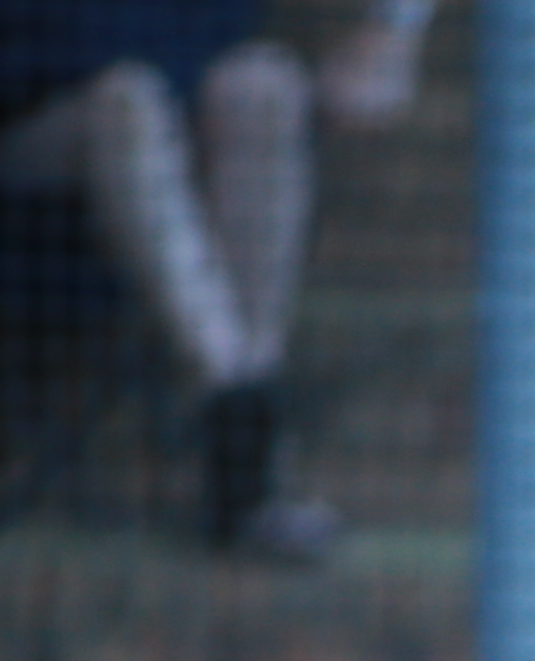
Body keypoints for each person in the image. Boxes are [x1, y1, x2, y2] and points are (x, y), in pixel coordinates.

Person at [0, 0, 427, 558]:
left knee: (263, 82)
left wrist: (392, 29)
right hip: (37, 154)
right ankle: (232, 392)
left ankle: (247, 402)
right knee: (124, 100)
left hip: (169, 147)